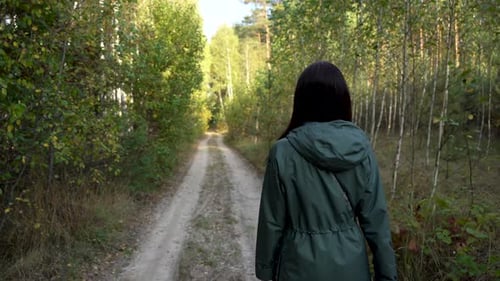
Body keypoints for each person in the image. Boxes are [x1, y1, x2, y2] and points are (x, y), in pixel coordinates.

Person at [255, 61, 398, 281]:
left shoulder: (282, 151)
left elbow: (271, 221)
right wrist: (387, 275)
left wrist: (265, 271)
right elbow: (377, 222)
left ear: (301, 101)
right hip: (352, 267)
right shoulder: (360, 148)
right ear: (343, 100)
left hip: (298, 266)